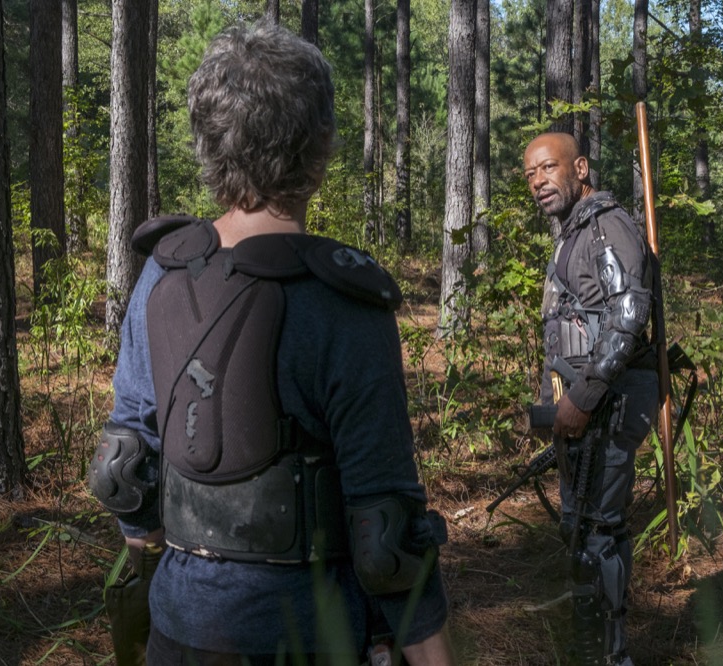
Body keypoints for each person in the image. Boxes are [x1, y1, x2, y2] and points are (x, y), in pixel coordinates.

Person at [88, 21, 455, 666]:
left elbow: (125, 465)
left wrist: (157, 569)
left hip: (179, 627)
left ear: (208, 140)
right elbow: (386, 533)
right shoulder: (344, 301)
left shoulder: (161, 273)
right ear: (319, 144)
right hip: (312, 635)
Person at [522, 133, 660, 666]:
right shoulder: (573, 233)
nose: (538, 182)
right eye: (531, 175)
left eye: (548, 168)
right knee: (579, 528)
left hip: (607, 405)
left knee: (600, 531)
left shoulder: (605, 225)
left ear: (580, 168)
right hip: (583, 409)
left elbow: (629, 316)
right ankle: (588, 647)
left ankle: (611, 654)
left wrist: (582, 396)